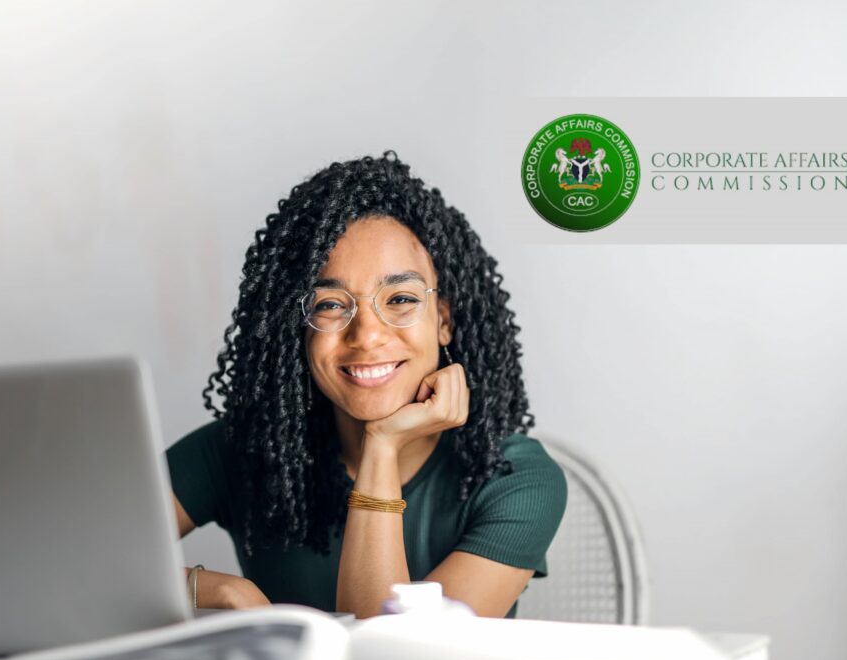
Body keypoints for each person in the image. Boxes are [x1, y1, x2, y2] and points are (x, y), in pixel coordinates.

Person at [167, 151, 567, 619]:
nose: (368, 335)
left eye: (399, 299)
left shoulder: (514, 478)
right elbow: (71, 560)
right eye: (330, 305)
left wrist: (382, 445)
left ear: (444, 319)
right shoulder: (242, 448)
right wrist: (218, 590)